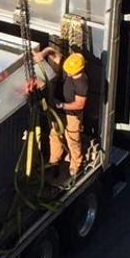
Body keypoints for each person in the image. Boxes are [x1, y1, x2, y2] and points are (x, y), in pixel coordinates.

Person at [35, 47, 89, 179]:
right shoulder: (68, 66)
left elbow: (80, 104)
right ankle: (54, 161)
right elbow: (53, 53)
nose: (68, 74)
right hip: (58, 110)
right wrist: (43, 54)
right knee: (55, 135)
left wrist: (62, 105)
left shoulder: (82, 83)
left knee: (72, 139)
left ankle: (76, 165)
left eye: (71, 73)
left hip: (72, 114)